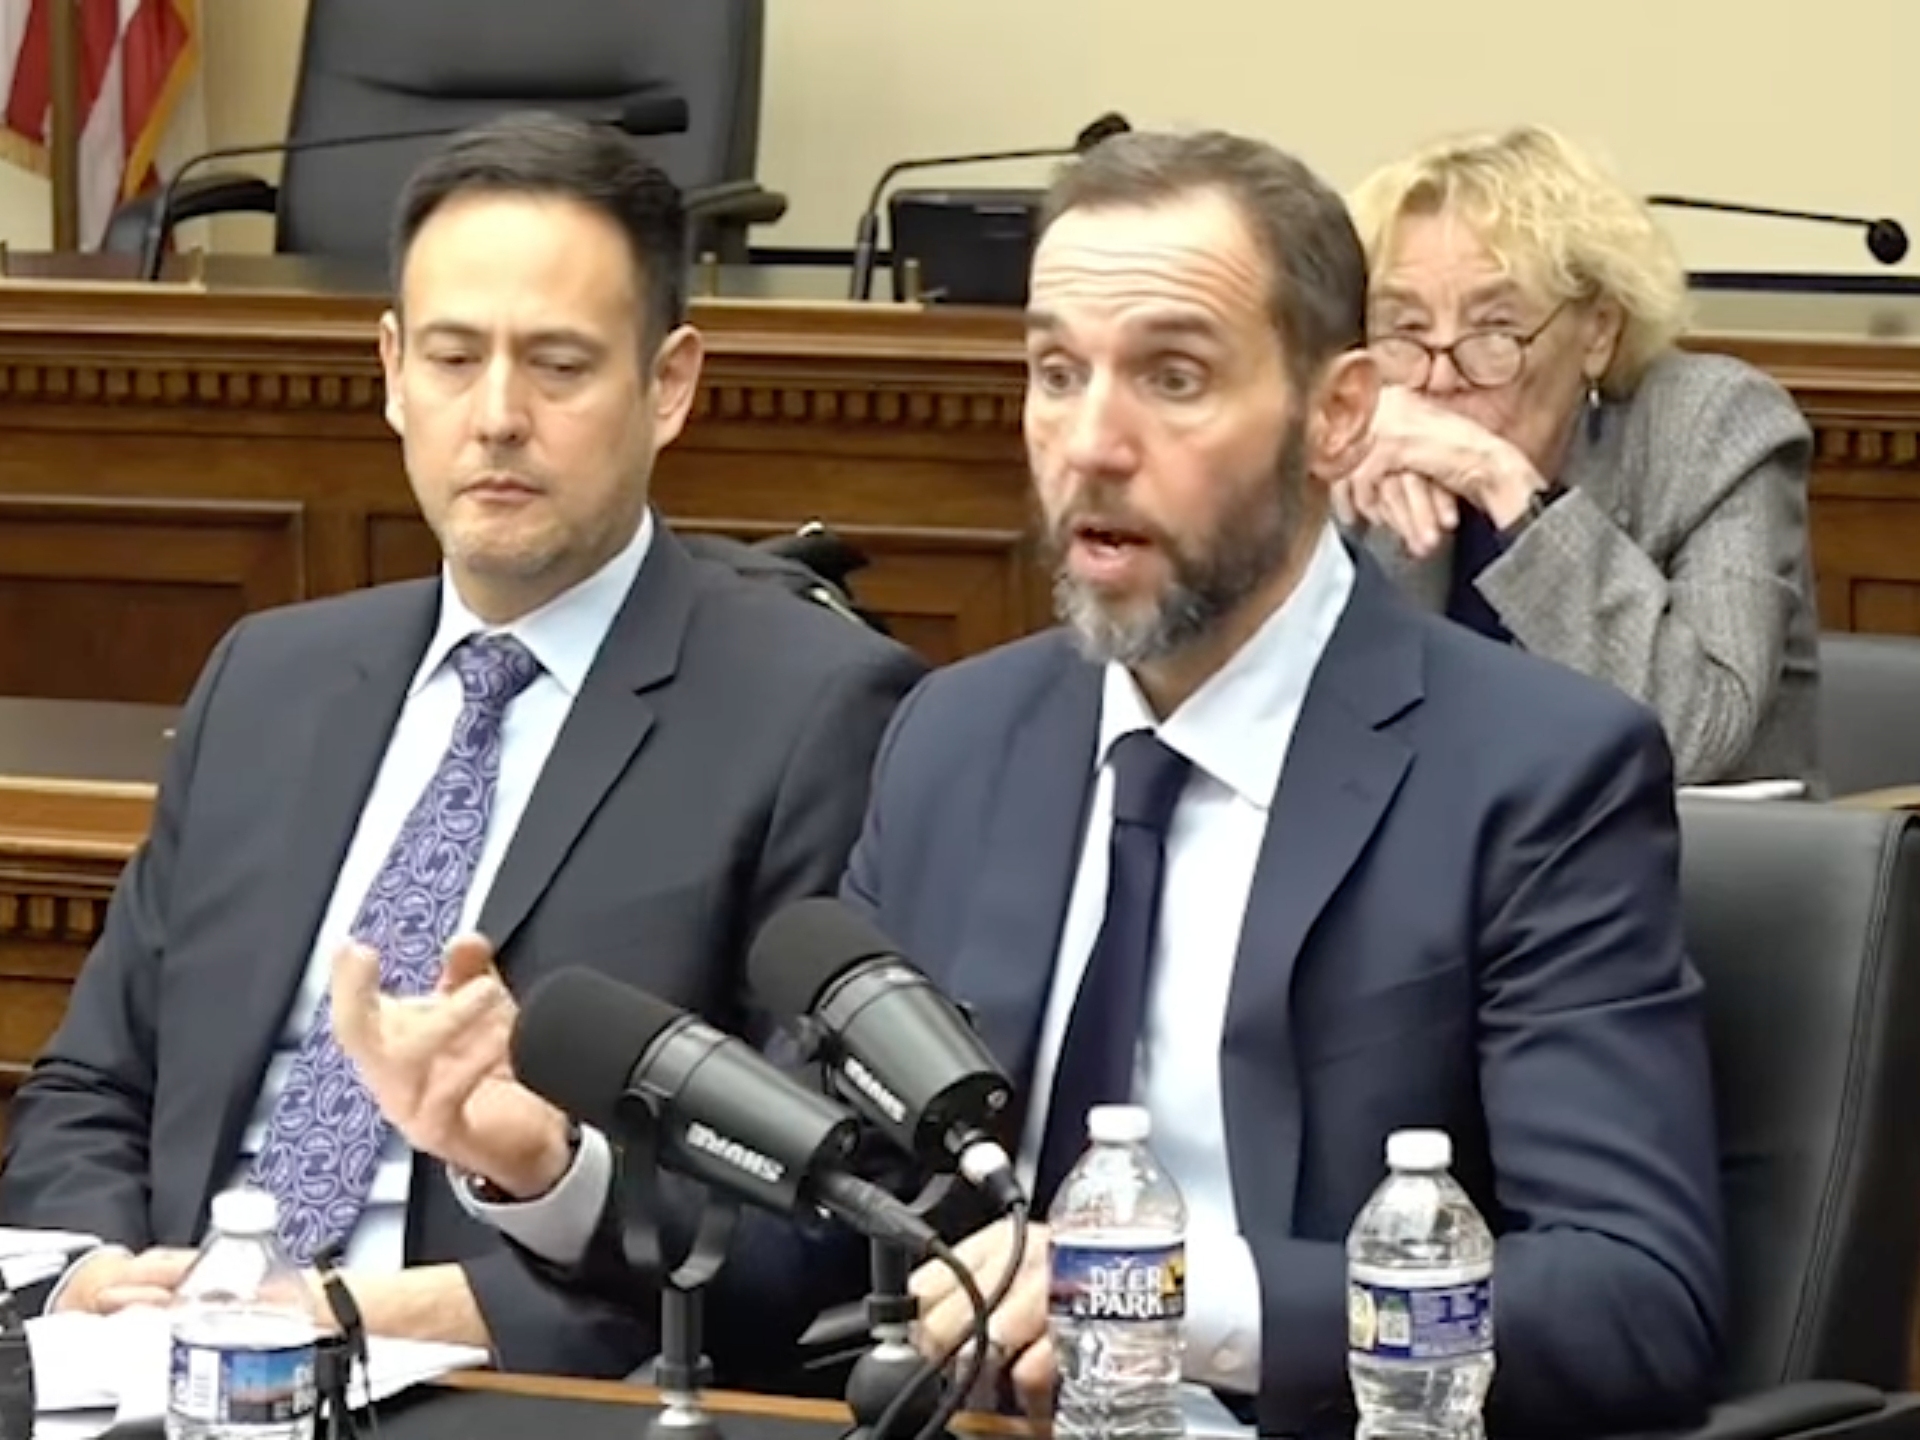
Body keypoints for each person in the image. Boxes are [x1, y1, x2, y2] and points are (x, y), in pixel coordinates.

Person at [360, 130, 1725, 1433]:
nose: (1091, 442)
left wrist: (1161, 1299)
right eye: (1056, 373)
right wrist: (549, 1164)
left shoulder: (1534, 771)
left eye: (1172, 377)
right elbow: (830, 1245)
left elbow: (1633, 1304)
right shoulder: (961, 737)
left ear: (1338, 413)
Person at [0, 111, 925, 1380]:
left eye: (557, 364)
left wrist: (428, 1298)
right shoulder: (267, 678)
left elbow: (811, 1222)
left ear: (670, 384)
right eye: (451, 357)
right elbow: (91, 1087)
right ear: (389, 371)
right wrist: (100, 1275)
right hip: (160, 1370)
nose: (496, 417)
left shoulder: (819, 709)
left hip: (490, 1388)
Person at [1336, 125, 1819, 789]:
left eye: (1494, 329)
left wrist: (1506, 488)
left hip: (1672, 871)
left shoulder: (1712, 425)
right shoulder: (1363, 442)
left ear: (1597, 331)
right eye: (1406, 330)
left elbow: (1696, 733)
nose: (1439, 376)